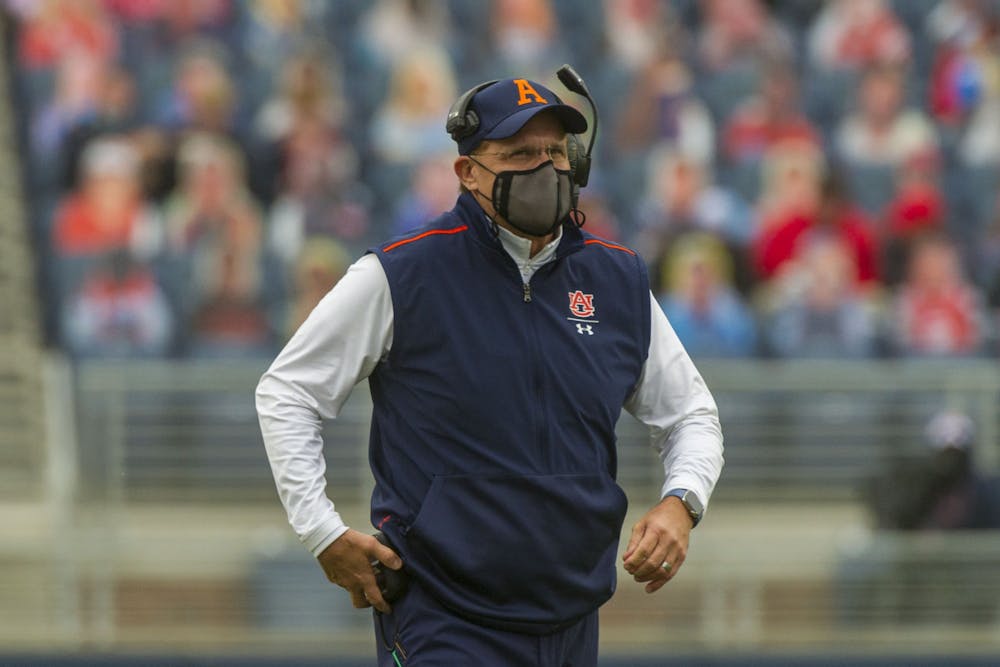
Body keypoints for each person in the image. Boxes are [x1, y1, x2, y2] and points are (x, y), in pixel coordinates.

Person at [256, 74, 724, 666]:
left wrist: (682, 501)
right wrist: (320, 530)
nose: (544, 169)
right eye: (519, 154)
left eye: (555, 152)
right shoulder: (403, 274)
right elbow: (287, 391)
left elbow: (691, 415)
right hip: (441, 613)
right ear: (467, 172)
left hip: (573, 613)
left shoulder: (617, 280)